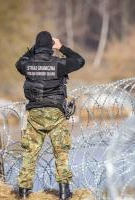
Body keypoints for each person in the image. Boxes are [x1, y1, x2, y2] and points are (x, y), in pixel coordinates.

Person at [15, 31, 85, 200]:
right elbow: (80, 61)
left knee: (30, 152)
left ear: (37, 46)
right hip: (55, 113)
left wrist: (35, 49)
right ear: (51, 47)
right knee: (61, 152)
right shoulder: (58, 64)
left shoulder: (27, 65)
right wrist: (61, 47)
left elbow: (19, 63)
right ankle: (63, 192)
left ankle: (24, 192)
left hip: (35, 114)